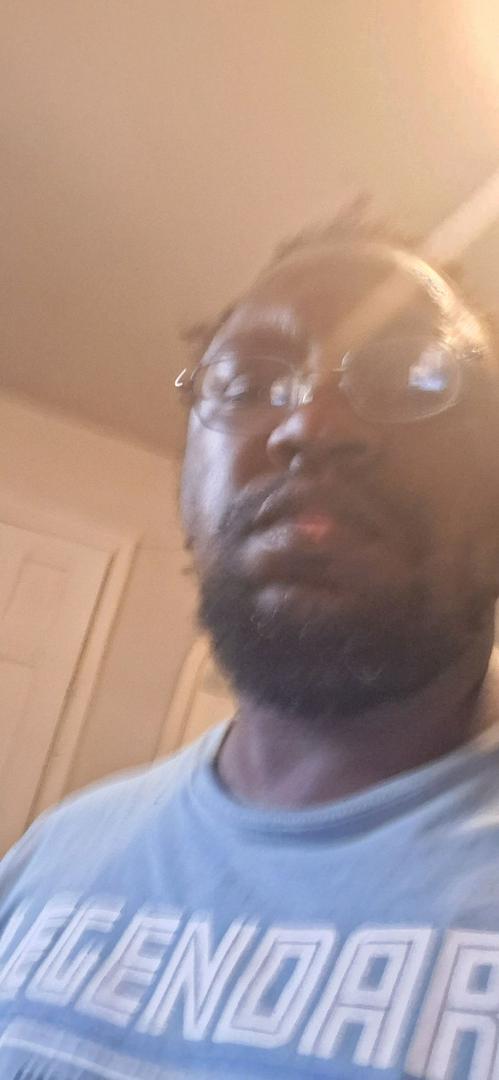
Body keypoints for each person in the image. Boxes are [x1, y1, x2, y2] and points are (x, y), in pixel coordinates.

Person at [1, 210, 499, 1080]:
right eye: (246, 382)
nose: (310, 425)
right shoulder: (49, 854)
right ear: (188, 492)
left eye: (414, 376)